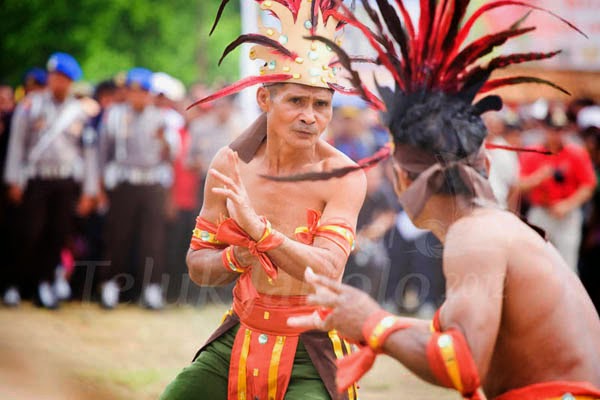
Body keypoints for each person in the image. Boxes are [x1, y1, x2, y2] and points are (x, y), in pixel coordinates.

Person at [283, 1, 600, 399]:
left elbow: (462, 362)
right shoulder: (493, 228)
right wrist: (375, 327)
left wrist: (373, 323)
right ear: (482, 161)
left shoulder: (475, 236)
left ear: (401, 177)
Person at [161, 1, 367, 399]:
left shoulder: (343, 175)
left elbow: (327, 269)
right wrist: (238, 257)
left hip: (314, 343)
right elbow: (197, 267)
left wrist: (258, 232)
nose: (310, 116)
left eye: (321, 104)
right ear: (264, 100)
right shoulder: (230, 163)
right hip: (242, 327)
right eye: (296, 101)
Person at [3, 52, 99, 309]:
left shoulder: (78, 112)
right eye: (56, 77)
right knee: (28, 232)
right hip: (37, 180)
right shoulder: (31, 106)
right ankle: (13, 283)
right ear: (50, 77)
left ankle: (45, 284)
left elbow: (88, 152)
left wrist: (90, 189)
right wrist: (13, 180)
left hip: (65, 182)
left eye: (65, 79)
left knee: (57, 234)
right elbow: (17, 145)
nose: (60, 83)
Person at [97, 67, 179, 310]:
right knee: (117, 236)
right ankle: (110, 284)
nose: (138, 97)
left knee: (152, 239)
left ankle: (152, 288)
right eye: (133, 92)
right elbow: (103, 153)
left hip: (152, 183)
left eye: (143, 92)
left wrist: (164, 138)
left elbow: (172, 155)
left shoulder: (162, 118)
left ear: (150, 94)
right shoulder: (114, 115)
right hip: (124, 182)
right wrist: (99, 187)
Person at [519, 106, 596, 272]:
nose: (556, 135)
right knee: (535, 260)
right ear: (545, 129)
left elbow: (588, 185)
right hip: (541, 211)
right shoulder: (532, 152)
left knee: (567, 263)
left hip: (566, 214)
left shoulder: (576, 153)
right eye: (553, 130)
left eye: (560, 130)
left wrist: (568, 204)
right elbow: (519, 185)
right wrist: (538, 178)